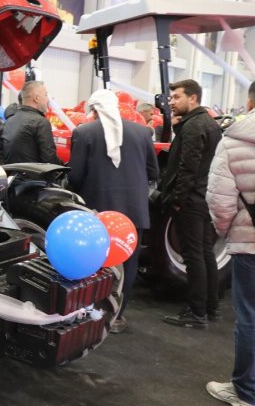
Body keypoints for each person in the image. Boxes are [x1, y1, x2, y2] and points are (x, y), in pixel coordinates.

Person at [67, 90, 159, 334]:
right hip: (133, 212)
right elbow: (153, 172)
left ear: (94, 111)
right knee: (128, 264)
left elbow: (75, 176)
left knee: (93, 264)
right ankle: (118, 316)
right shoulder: (143, 133)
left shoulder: (84, 133)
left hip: (97, 212)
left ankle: (91, 312)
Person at [205, 78, 255, 406]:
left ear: (250, 104)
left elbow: (220, 197)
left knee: (252, 317)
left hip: (251, 243)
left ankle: (245, 392)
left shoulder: (234, 139)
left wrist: (227, 232)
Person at [160, 79, 222, 329]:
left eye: (176, 97)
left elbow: (189, 168)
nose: (171, 102)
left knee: (194, 256)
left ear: (193, 98)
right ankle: (210, 307)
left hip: (191, 201)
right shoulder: (205, 123)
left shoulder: (195, 126)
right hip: (203, 198)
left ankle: (197, 313)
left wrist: (177, 201)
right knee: (205, 254)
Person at [0, 80, 62, 165]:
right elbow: (49, 158)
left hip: (10, 176)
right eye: (46, 95)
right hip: (34, 177)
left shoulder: (7, 122)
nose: (48, 99)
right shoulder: (41, 123)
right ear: (36, 98)